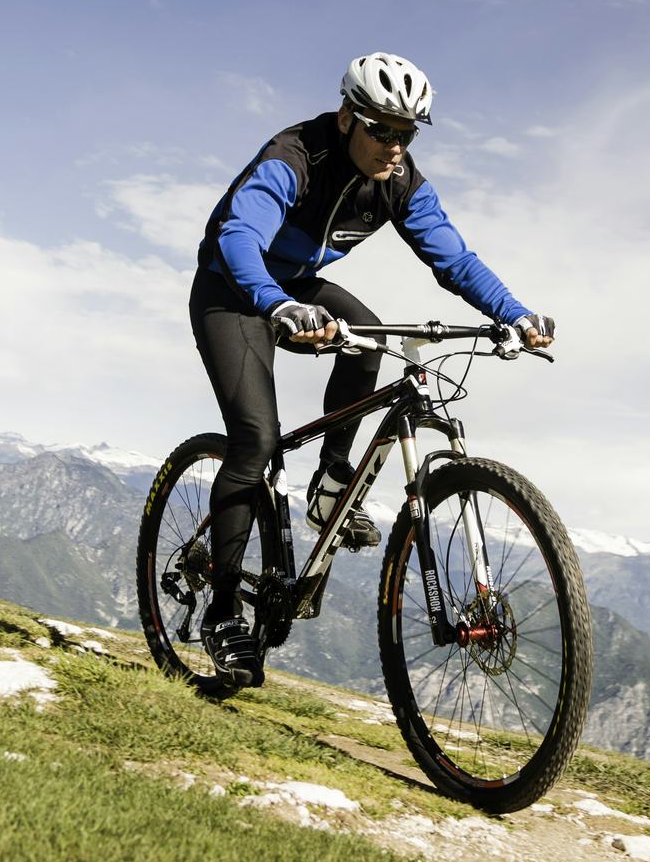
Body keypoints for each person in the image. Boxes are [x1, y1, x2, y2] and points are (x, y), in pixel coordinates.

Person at [191, 52, 554, 686]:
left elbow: (455, 260)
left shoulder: (401, 181)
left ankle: (331, 479)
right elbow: (238, 235)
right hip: (233, 292)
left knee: (366, 340)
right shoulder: (294, 156)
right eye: (382, 130)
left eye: (407, 133)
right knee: (255, 443)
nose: (394, 146)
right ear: (345, 118)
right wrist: (279, 306)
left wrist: (516, 314)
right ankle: (222, 616)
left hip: (299, 287)